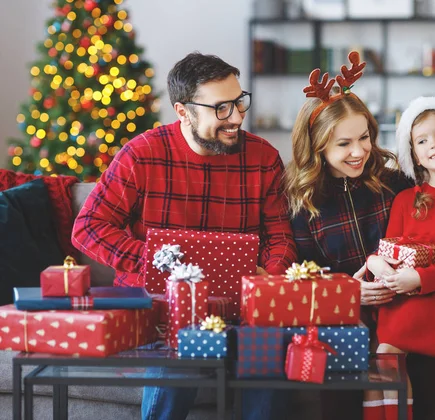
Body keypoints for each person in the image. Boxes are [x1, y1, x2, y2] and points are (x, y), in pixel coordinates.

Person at [72, 52, 297, 420]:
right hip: (163, 309)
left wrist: (269, 278)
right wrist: (157, 262)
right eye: (221, 108)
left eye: (239, 102)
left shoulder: (262, 157)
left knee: (268, 363)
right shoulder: (141, 155)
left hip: (241, 308)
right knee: (180, 358)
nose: (237, 117)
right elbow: (89, 227)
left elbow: (280, 237)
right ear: (183, 112)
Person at [284, 51, 412, 420]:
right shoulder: (301, 201)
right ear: (317, 145)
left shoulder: (393, 183)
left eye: (364, 137)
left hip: (401, 306)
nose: (359, 152)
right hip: (341, 313)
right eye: (343, 144)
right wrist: (349, 291)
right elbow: (301, 273)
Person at [365, 96, 435, 420]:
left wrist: (420, 279)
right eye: (422, 140)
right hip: (397, 294)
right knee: (385, 355)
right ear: (414, 154)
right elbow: (388, 247)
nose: (434, 144)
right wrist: (375, 264)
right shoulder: (404, 200)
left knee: (385, 353)